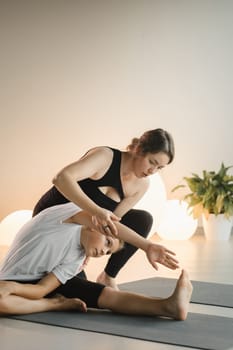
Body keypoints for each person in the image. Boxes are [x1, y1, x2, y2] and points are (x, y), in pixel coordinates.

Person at [32, 128, 175, 289]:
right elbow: (61, 178)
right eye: (152, 162)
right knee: (71, 289)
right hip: (52, 222)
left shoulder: (141, 185)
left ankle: (108, 276)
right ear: (139, 149)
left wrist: (147, 246)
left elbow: (111, 225)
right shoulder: (105, 157)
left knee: (143, 219)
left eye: (159, 168)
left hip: (80, 230)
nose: (152, 171)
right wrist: (96, 211)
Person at [0, 202, 193, 320]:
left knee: (108, 296)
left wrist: (12, 288)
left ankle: (168, 307)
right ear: (96, 226)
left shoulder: (75, 261)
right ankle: (55, 304)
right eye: (107, 241)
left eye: (109, 252)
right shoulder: (65, 216)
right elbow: (100, 218)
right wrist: (146, 245)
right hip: (11, 277)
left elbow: (41, 289)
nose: (104, 252)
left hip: (33, 284)